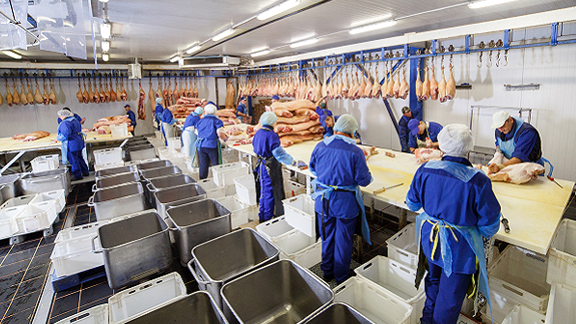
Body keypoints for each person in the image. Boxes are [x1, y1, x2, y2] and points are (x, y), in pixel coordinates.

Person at [406, 124, 501, 324]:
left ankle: (426, 321)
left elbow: (412, 203)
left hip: (431, 241)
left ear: (443, 146)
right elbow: (490, 226)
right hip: (459, 248)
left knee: (432, 283)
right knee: (450, 297)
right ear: (469, 147)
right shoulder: (478, 181)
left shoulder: (425, 169)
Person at [309, 114, 373, 284]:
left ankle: (327, 272)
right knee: (343, 240)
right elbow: (364, 180)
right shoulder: (355, 152)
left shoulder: (320, 145)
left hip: (323, 200)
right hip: (345, 203)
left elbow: (313, 169)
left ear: (336, 128)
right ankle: (341, 276)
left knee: (327, 237)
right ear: (352, 132)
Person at [253, 112, 305, 222]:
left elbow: (255, 148)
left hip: (262, 165)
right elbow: (278, 153)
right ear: (272, 122)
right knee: (269, 192)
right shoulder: (271, 135)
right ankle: (267, 219)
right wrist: (291, 162)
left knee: (263, 191)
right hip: (270, 167)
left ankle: (262, 215)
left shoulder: (258, 133)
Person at [194, 103, 227, 179]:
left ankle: (203, 181)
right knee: (216, 165)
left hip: (201, 145)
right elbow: (220, 134)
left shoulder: (200, 121)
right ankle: (218, 179)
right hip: (212, 145)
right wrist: (225, 139)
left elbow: (196, 133)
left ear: (205, 111)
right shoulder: (217, 121)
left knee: (203, 165)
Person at [57, 109, 89, 180]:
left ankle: (78, 175)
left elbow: (66, 135)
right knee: (80, 157)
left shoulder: (65, 123)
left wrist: (58, 138)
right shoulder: (74, 120)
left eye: (60, 116)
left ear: (63, 116)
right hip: (78, 142)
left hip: (71, 144)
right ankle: (85, 171)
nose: (59, 117)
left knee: (73, 160)